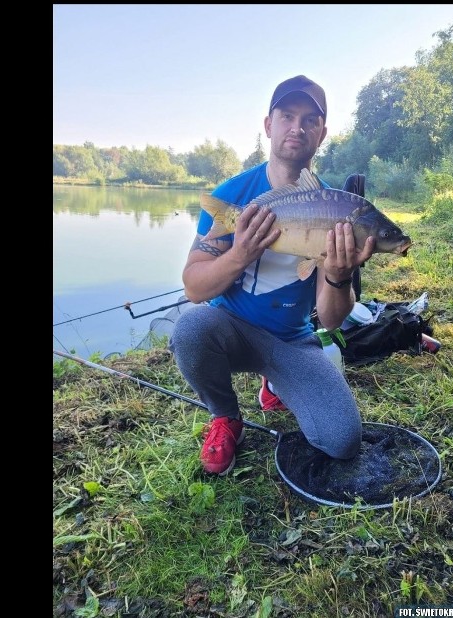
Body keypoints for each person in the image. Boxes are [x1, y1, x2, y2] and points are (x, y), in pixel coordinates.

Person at [169, 75, 375, 475]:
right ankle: (226, 417)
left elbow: (331, 321)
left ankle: (274, 382)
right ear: (269, 125)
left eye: (309, 120)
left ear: (322, 133)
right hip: (228, 327)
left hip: (292, 341)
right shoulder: (233, 195)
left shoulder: (340, 208)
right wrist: (238, 255)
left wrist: (337, 274)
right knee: (191, 328)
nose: (297, 127)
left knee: (343, 440)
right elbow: (194, 288)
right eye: (287, 116)